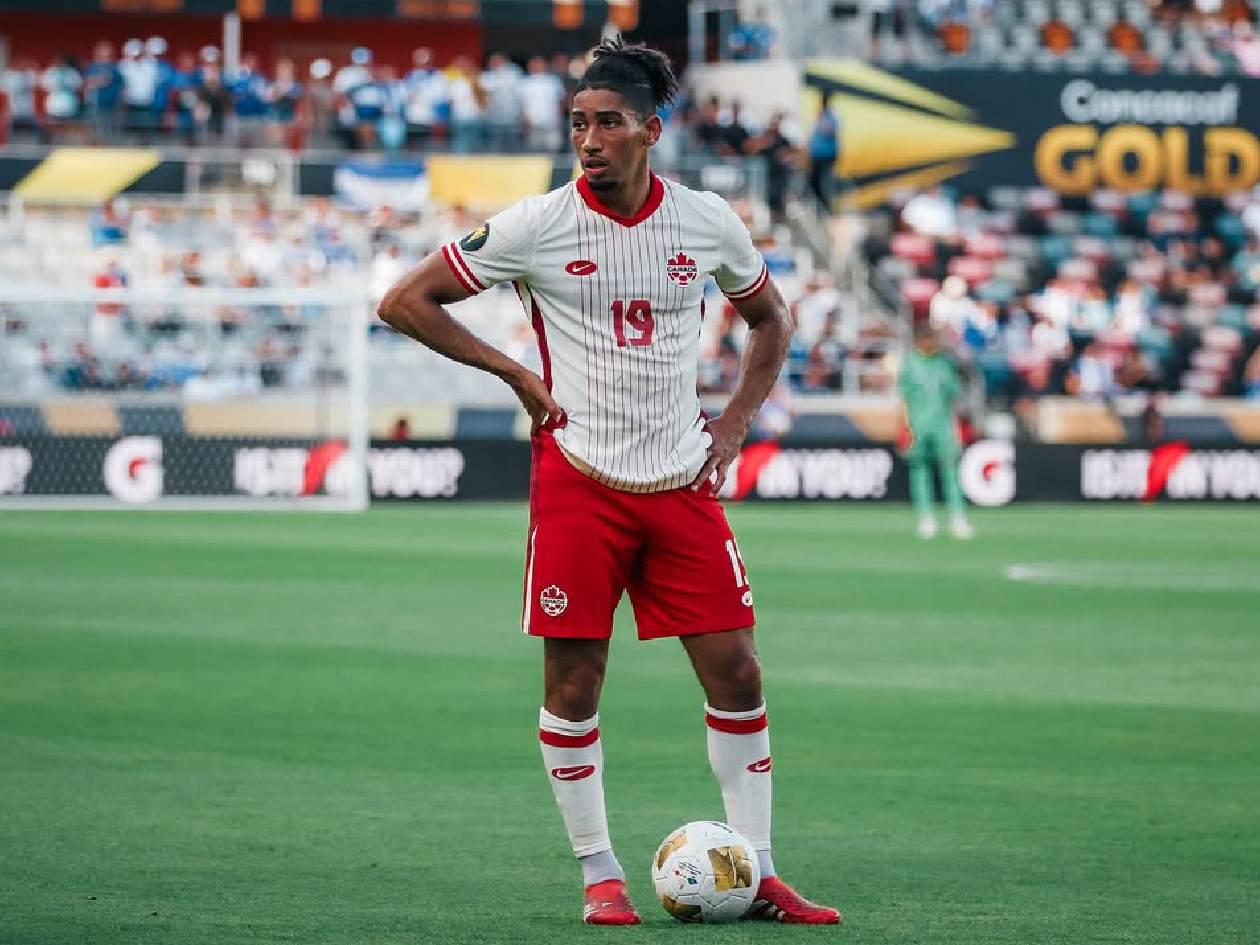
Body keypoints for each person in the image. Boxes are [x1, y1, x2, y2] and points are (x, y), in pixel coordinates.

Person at [378, 37, 841, 928]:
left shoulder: (706, 220)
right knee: (575, 682)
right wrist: (514, 372)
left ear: (651, 131)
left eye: (609, 124)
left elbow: (771, 318)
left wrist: (735, 422)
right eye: (578, 124)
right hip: (579, 479)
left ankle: (758, 870)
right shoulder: (536, 224)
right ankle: (600, 874)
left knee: (739, 672)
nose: (589, 140)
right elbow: (404, 300)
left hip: (681, 478)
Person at [898, 323, 973, 540]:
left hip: (943, 425)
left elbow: (953, 396)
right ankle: (926, 518)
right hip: (918, 425)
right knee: (920, 471)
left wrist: (957, 425)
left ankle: (958, 518)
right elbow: (904, 398)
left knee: (950, 470)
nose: (932, 344)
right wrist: (906, 427)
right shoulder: (910, 365)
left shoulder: (944, 363)